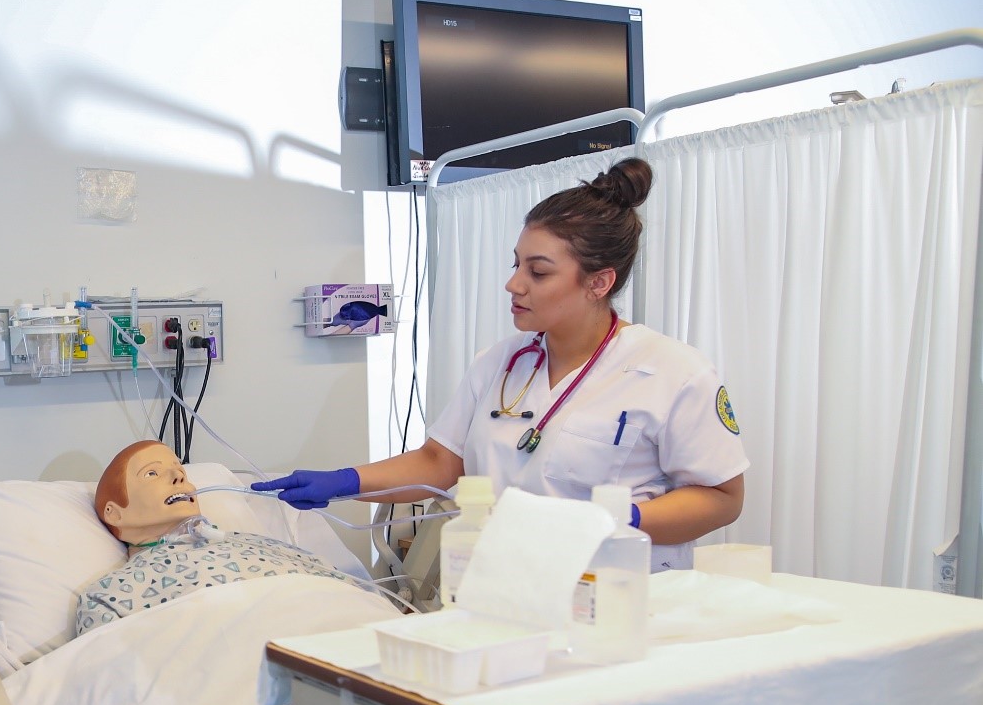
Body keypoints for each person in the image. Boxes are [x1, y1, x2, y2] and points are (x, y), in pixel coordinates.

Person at [254, 158, 746, 571]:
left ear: (599, 282)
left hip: (616, 596)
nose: (514, 284)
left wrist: (618, 517)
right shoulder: (500, 363)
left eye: (538, 271)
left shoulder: (671, 373)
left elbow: (723, 497)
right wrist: (343, 481)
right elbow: (439, 462)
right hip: (499, 587)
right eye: (516, 264)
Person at [78, 440, 355, 634]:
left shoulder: (258, 544)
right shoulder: (111, 595)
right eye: (152, 473)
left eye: (180, 470)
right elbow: (108, 680)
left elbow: (354, 596)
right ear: (114, 514)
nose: (178, 476)